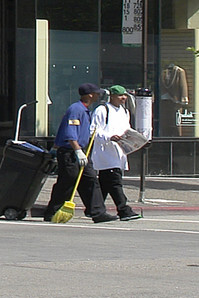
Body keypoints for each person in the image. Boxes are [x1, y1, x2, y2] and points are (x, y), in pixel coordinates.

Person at [45, 83, 110, 222]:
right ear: (90, 95)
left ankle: (98, 212)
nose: (98, 96)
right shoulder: (76, 109)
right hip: (71, 153)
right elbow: (70, 133)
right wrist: (78, 151)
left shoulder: (86, 111)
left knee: (91, 180)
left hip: (82, 151)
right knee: (67, 182)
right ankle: (53, 212)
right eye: (96, 93)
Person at [90, 85, 142, 221]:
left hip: (120, 152)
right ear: (111, 96)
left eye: (124, 95)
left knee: (105, 184)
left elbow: (127, 130)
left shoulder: (125, 112)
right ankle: (123, 209)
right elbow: (93, 131)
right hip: (106, 153)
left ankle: (94, 208)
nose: (123, 98)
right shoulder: (102, 110)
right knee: (115, 182)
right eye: (120, 95)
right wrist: (109, 137)